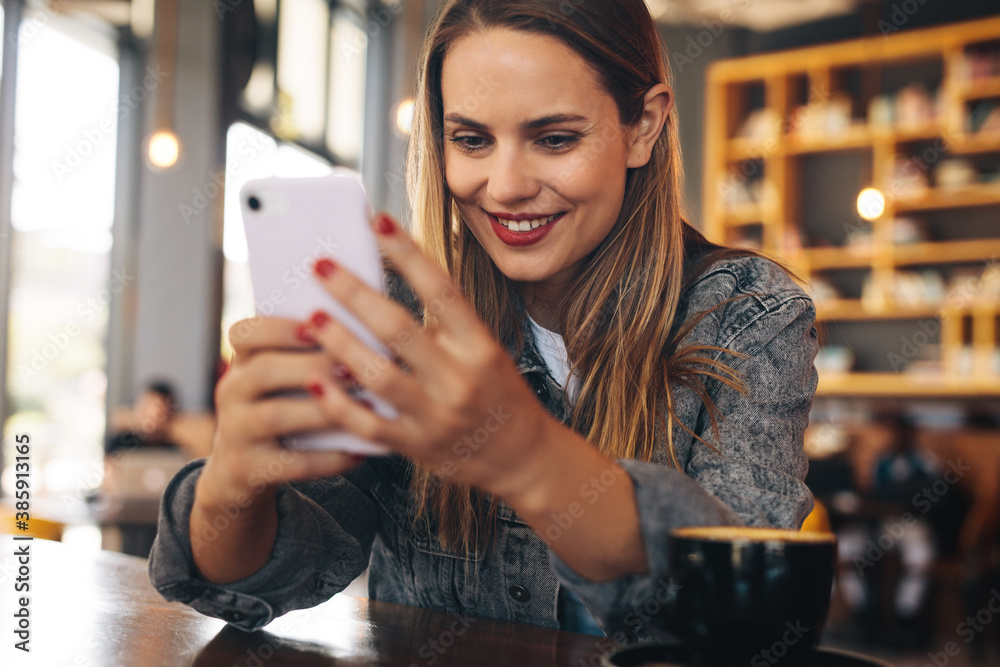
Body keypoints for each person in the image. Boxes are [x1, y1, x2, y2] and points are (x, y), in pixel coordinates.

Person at [149, 0, 818, 643]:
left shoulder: (746, 313)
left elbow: (749, 612)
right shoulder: (398, 314)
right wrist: (232, 480)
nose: (504, 186)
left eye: (554, 139)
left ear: (642, 125)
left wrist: (525, 453)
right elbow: (278, 573)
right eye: (471, 139)